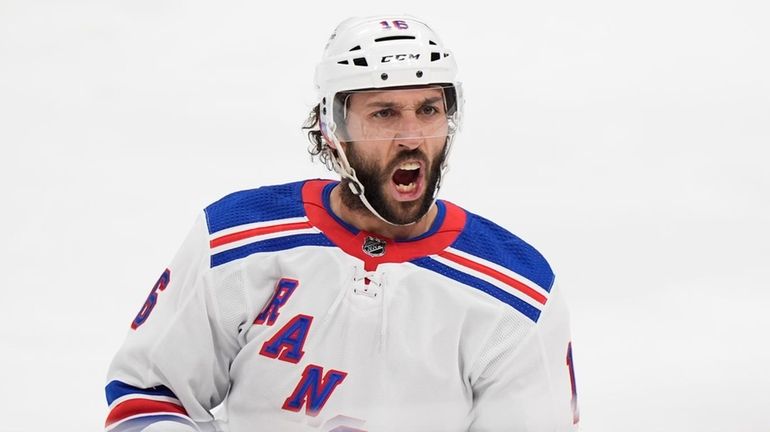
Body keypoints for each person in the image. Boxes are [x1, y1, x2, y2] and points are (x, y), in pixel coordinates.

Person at [105, 15, 580, 432]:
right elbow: (148, 393)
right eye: (384, 112)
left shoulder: (518, 296)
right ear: (333, 130)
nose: (412, 136)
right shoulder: (237, 239)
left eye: (429, 110)